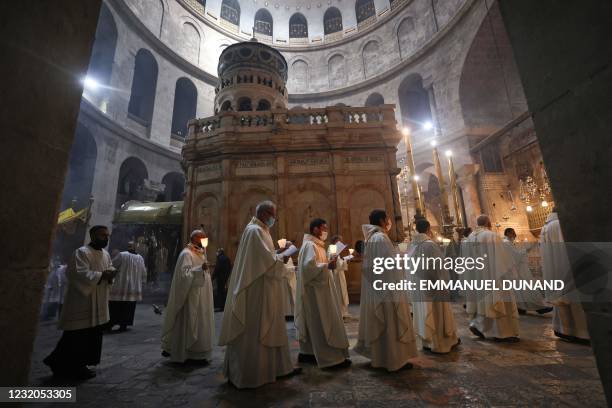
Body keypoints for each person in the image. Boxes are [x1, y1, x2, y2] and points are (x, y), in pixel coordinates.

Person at [219, 201, 300, 388]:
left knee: (268, 326)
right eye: (273, 214)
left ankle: (273, 369)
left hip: (263, 287)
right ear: (264, 213)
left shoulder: (260, 230)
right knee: (257, 328)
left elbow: (265, 256)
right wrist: (285, 256)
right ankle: (253, 374)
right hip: (257, 289)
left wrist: (277, 252)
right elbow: (268, 263)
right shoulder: (255, 231)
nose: (274, 219)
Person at [43, 225, 117, 379]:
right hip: (82, 302)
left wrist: (111, 274)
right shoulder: (81, 253)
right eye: (103, 235)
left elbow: (109, 267)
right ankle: (66, 365)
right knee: (76, 337)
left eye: (107, 235)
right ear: (93, 236)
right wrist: (101, 275)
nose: (106, 238)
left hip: (98, 301)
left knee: (91, 336)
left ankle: (78, 365)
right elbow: (78, 274)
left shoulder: (105, 254)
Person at [354, 209, 417, 371]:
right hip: (387, 289)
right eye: (387, 219)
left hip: (378, 288)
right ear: (382, 221)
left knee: (382, 323)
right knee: (390, 322)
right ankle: (393, 360)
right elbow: (390, 266)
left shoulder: (372, 238)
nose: (389, 222)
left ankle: (381, 358)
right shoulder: (381, 238)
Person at [296, 219, 351, 369]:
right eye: (323, 228)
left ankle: (308, 353)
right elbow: (308, 268)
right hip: (315, 294)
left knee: (319, 323)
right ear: (315, 229)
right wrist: (327, 265)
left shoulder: (318, 245)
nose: (325, 231)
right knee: (321, 323)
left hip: (323, 290)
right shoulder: (309, 245)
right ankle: (329, 358)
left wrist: (330, 264)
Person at [161, 230, 214, 363]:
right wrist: (200, 269)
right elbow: (184, 275)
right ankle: (187, 353)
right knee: (190, 320)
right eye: (202, 238)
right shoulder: (186, 253)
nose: (203, 240)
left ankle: (200, 352)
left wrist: (204, 268)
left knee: (202, 321)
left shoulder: (200, 253)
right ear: (194, 238)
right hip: (190, 296)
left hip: (203, 296)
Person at [464, 215, 519, 342]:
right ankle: (502, 333)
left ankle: (478, 324)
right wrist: (510, 274)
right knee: (498, 301)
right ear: (488, 223)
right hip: (493, 275)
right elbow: (502, 258)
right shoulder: (491, 236)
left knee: (484, 303)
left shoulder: (470, 237)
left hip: (479, 277)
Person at [408, 219, 459, 353]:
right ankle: (440, 344)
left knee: (427, 313)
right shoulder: (429, 245)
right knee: (438, 314)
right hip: (434, 287)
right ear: (428, 229)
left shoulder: (412, 246)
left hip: (420, 288)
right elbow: (439, 268)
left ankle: (427, 342)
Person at [540, 209, 590, 343]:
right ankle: (582, 333)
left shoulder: (545, 227)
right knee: (576, 301)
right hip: (567, 266)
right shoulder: (559, 224)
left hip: (554, 271)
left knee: (561, 301)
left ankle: (563, 329)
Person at [502, 228, 552, 315]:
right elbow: (516, 255)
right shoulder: (506, 243)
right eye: (513, 233)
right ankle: (537, 307)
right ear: (508, 233)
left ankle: (523, 308)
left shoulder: (507, 242)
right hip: (517, 270)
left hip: (516, 270)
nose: (515, 235)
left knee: (522, 290)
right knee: (526, 288)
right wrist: (528, 249)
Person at [107, 241, 147, 332]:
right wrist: (142, 283)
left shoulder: (122, 255)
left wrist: (108, 276)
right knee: (128, 307)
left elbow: (112, 266)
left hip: (121, 285)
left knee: (115, 305)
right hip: (133, 287)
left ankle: (110, 324)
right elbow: (144, 272)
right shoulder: (140, 258)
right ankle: (123, 325)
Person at [328, 235, 351, 319]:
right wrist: (339, 259)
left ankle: (343, 312)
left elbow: (339, 263)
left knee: (342, 293)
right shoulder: (331, 249)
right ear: (335, 242)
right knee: (338, 293)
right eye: (339, 241)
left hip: (340, 275)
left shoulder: (336, 250)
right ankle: (339, 313)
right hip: (335, 276)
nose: (341, 243)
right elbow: (333, 264)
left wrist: (345, 260)